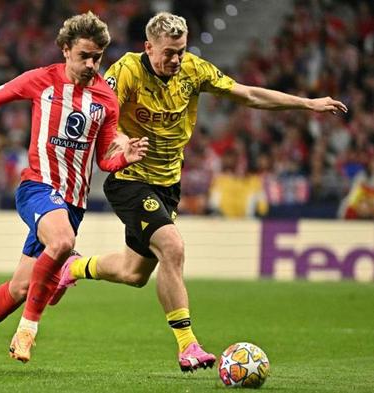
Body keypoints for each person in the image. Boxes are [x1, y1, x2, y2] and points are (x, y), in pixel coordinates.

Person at [50, 11, 348, 372]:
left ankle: (74, 266)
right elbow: (101, 112)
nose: (175, 59)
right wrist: (122, 140)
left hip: (167, 185)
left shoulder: (194, 70)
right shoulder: (126, 71)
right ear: (149, 47)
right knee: (172, 247)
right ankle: (188, 345)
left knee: (133, 273)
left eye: (181, 51)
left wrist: (308, 104)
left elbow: (249, 94)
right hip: (129, 178)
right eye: (168, 52)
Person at [0, 12, 148, 373]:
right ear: (65, 50)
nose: (91, 65)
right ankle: (27, 330)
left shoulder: (106, 98)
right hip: (38, 187)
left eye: (97, 58)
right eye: (84, 56)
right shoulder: (40, 80)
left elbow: (104, 160)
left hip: (73, 203)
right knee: (61, 243)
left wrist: (125, 157)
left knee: (20, 288)